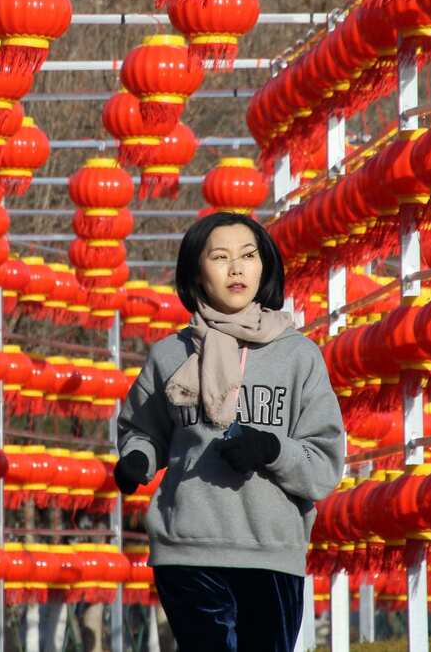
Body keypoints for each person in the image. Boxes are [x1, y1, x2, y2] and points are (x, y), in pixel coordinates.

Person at [114, 212, 346, 652]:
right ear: (196, 274)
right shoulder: (170, 354)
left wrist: (271, 449)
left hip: (270, 552)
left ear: (265, 266)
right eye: (220, 257)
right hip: (188, 550)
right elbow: (141, 430)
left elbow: (324, 465)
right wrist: (137, 459)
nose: (236, 268)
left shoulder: (298, 357)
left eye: (248, 256)